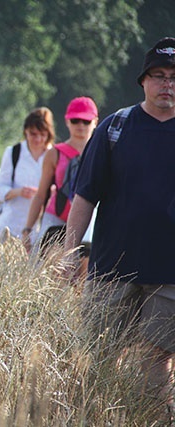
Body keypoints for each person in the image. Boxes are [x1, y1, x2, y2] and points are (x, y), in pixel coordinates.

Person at [64, 37, 175, 416]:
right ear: (143, 80)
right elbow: (85, 196)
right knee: (96, 357)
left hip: (169, 274)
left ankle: (147, 420)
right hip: (111, 268)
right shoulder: (115, 127)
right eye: (159, 75)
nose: (167, 84)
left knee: (155, 363)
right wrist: (68, 252)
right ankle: (90, 417)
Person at [22, 97, 98, 256]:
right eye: (75, 120)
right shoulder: (54, 153)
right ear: (67, 121)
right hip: (56, 217)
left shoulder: (101, 152)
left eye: (86, 121)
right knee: (49, 271)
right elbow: (41, 194)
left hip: (89, 219)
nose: (81, 126)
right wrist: (28, 228)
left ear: (95, 122)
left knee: (82, 276)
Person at [0, 107, 55, 241]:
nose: (38, 139)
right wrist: (18, 192)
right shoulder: (13, 153)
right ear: (25, 131)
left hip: (40, 228)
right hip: (10, 225)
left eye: (42, 134)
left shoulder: (54, 155)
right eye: (33, 134)